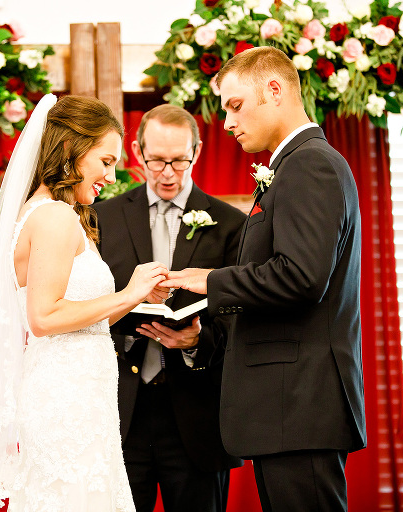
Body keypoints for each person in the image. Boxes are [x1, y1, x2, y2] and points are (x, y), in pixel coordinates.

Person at [162, 47, 366, 511]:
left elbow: (302, 277)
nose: (227, 123)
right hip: (287, 408)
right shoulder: (294, 164)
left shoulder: (309, 164)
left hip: (299, 403)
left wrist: (211, 281)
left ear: (274, 90)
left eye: (235, 106)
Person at [0, 94, 167, 511]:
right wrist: (126, 293)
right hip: (67, 404)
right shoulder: (54, 216)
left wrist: (136, 296)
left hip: (81, 397)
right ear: (71, 148)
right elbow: (44, 316)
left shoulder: (53, 213)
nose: (112, 175)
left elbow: (83, 321)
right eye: (106, 161)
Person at [93, 104, 245, 512]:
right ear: (137, 152)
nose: (167, 173)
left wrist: (197, 341)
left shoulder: (230, 224)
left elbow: (241, 317)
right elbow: (87, 303)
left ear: (197, 151)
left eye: (180, 160)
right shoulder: (102, 218)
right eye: (156, 160)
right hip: (120, 409)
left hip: (197, 414)